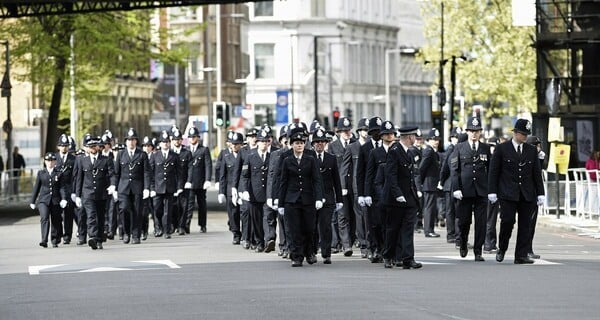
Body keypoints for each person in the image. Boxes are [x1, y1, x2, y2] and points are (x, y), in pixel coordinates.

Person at [488, 119, 545, 264]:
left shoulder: (531, 150)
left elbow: (536, 173)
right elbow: (494, 172)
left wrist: (540, 193)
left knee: (526, 225)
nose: (525, 137)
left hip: (527, 193)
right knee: (507, 221)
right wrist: (492, 191)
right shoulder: (502, 149)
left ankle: (521, 255)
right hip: (507, 192)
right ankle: (502, 247)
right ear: (515, 133)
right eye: (522, 133)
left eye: (527, 134)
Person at [277, 127, 324, 267]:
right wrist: (280, 203)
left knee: (309, 228)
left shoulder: (310, 159)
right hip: (291, 200)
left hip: (308, 199)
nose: (299, 145)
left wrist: (319, 198)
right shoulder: (287, 160)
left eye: (301, 143)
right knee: (294, 229)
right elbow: (282, 182)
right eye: (296, 143)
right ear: (291, 145)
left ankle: (309, 252)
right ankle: (296, 256)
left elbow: (317, 180)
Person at [450, 117, 491, 262]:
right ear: (467, 131)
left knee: (481, 223)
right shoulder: (459, 148)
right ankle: (462, 242)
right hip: (464, 191)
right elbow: (454, 170)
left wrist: (491, 190)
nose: (474, 134)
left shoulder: (485, 148)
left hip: (481, 191)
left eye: (477, 131)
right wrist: (456, 188)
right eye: (471, 131)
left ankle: (478, 251)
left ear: (480, 132)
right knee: (464, 222)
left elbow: (490, 170)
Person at [382, 126, 422, 269]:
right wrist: (397, 194)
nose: (415, 139)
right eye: (414, 136)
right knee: (393, 229)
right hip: (395, 199)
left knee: (408, 229)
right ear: (409, 137)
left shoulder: (409, 153)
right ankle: (388, 256)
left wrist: (416, 193)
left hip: (409, 198)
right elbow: (390, 176)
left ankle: (408, 258)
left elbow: (410, 178)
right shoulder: (394, 152)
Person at [73, 135, 117, 250]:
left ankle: (99, 239)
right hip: (87, 193)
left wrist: (113, 185)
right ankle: (92, 236)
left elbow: (112, 174)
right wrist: (77, 195)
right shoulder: (83, 160)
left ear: (98, 147)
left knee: (101, 217)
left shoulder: (106, 159)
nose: (92, 148)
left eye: (94, 146)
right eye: (90, 146)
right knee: (91, 215)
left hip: (101, 193)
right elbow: (79, 179)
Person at [311, 128, 343, 264]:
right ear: (312, 144)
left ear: (326, 143)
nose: (319, 144)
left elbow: (337, 180)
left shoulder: (331, 159)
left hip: (328, 197)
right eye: (317, 142)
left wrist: (339, 199)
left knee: (326, 226)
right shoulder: (309, 158)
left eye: (322, 142)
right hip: (312, 198)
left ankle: (326, 253)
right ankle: (312, 252)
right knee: (312, 227)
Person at [114, 128, 150, 245]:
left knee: (137, 212)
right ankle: (126, 232)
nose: (131, 142)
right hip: (123, 188)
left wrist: (146, 188)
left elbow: (146, 172)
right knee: (123, 209)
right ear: (125, 141)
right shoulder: (121, 154)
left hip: (137, 187)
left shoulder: (142, 154)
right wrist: (114, 188)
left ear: (136, 141)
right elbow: (116, 173)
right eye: (129, 140)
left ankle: (136, 235)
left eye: (133, 140)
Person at [341, 118, 370, 258]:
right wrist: (343, 186)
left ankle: (372, 244)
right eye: (364, 129)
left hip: (370, 185)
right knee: (359, 217)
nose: (366, 132)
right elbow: (344, 168)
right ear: (359, 131)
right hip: (357, 187)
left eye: (368, 130)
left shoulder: (372, 146)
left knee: (370, 217)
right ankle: (364, 244)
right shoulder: (352, 147)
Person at [240, 129, 272, 252]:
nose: (264, 143)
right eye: (262, 141)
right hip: (254, 194)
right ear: (257, 142)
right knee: (256, 220)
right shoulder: (250, 157)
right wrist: (245, 190)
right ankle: (259, 241)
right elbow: (245, 175)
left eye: (266, 141)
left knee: (268, 217)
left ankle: (269, 239)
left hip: (267, 194)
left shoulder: (272, 157)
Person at [149, 131, 183, 239]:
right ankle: (157, 227)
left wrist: (179, 187)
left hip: (170, 187)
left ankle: (166, 230)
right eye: (163, 142)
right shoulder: (155, 156)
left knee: (168, 210)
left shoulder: (174, 156)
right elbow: (150, 173)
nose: (165, 144)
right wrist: (152, 187)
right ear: (160, 143)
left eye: (167, 142)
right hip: (157, 187)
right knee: (157, 209)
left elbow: (179, 173)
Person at [30, 153, 67, 248]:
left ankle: (55, 239)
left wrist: (63, 199)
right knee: (44, 218)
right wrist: (32, 201)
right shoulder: (41, 173)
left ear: (55, 162)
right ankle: (44, 240)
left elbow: (62, 187)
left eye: (52, 161)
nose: (50, 163)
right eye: (48, 161)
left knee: (55, 219)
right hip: (43, 200)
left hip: (55, 200)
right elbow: (36, 188)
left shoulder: (59, 173)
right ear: (45, 162)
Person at [185, 126, 213, 234]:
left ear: (198, 138)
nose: (192, 139)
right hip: (189, 182)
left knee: (202, 204)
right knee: (189, 204)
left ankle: (203, 225)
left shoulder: (203, 150)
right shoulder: (186, 150)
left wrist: (207, 180)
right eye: (191, 137)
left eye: (194, 137)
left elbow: (208, 165)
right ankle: (187, 223)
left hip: (200, 182)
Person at [219, 131, 244, 245]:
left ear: (241, 145)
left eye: (237, 144)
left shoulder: (245, 155)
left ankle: (245, 234)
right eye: (233, 144)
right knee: (233, 214)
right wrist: (221, 191)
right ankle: (236, 234)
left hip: (242, 188)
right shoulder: (226, 156)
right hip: (230, 190)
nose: (234, 146)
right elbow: (222, 175)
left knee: (244, 213)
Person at [419, 128, 441, 238]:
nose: (436, 141)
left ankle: (430, 229)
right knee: (429, 208)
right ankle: (428, 230)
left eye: (437, 139)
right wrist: (421, 182)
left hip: (431, 184)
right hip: (428, 184)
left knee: (431, 208)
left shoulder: (432, 151)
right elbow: (422, 168)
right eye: (434, 139)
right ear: (429, 140)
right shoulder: (428, 151)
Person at [56, 134, 77, 244]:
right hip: (57, 190)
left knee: (68, 214)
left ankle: (67, 235)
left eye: (66, 145)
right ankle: (58, 233)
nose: (64, 147)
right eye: (62, 145)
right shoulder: (54, 158)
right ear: (58, 147)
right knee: (57, 214)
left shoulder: (73, 159)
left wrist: (74, 191)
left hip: (69, 189)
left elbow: (75, 176)